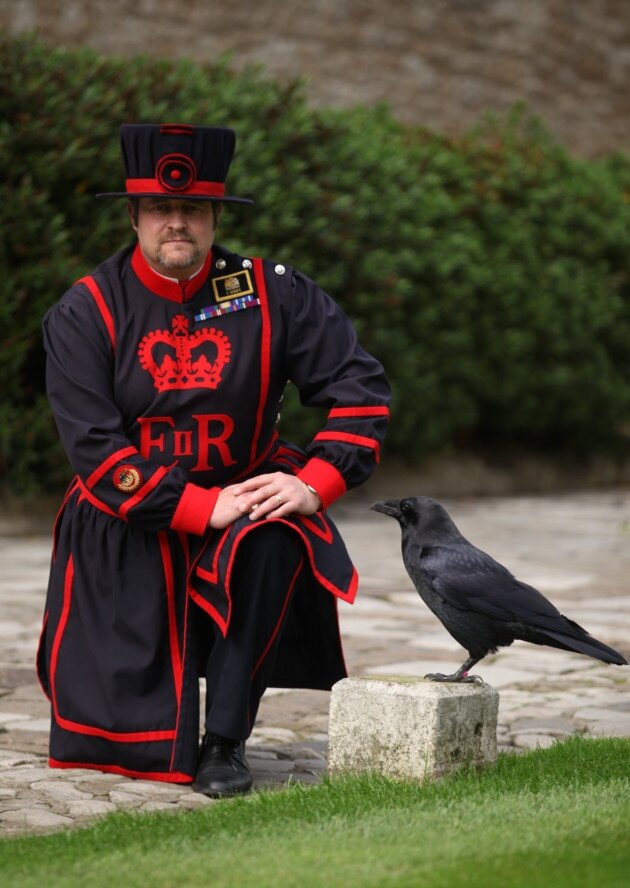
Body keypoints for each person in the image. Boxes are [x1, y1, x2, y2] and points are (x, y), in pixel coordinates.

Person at [37, 123, 390, 797]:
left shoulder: (272, 291)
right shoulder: (86, 310)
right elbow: (95, 450)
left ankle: (226, 741)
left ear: (215, 216)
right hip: (128, 518)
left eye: (194, 209)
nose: (178, 222)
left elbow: (360, 391)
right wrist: (197, 506)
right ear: (133, 215)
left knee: (275, 536)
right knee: (121, 748)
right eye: (162, 209)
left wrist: (314, 483)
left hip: (245, 500)